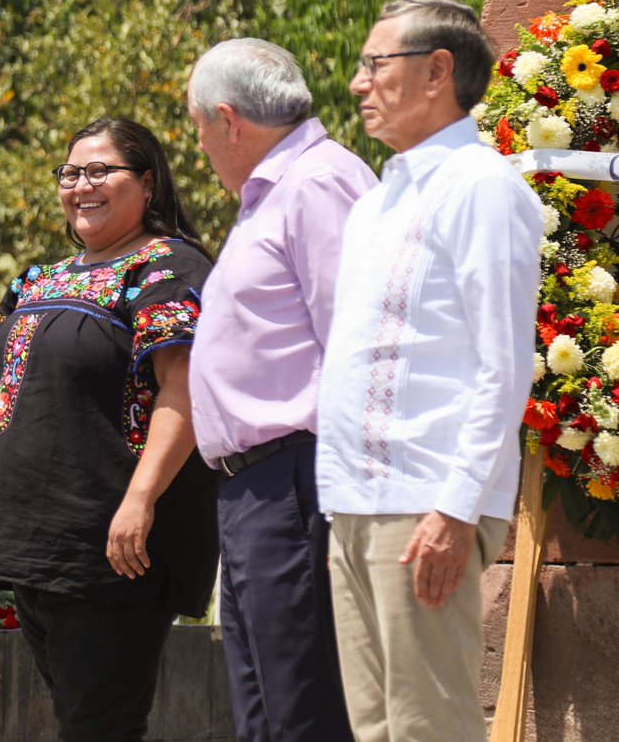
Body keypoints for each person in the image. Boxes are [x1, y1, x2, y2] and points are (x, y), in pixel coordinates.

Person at [316, 0, 544, 742]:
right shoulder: (377, 202)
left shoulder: (482, 186)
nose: (358, 84)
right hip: (353, 499)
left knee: (431, 727)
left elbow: (503, 364)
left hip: (424, 501)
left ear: (438, 71)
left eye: (375, 64)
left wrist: (453, 507)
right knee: (378, 729)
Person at [0, 117, 219, 742]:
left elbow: (185, 390)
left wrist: (140, 499)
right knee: (78, 721)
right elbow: (3, 398)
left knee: (100, 727)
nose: (81, 186)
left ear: (147, 183)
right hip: (34, 549)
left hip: (108, 547)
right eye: (71, 174)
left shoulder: (165, 267)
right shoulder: (38, 279)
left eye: (101, 171)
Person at [185, 38, 377, 741]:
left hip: (300, 480)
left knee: (306, 710)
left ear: (228, 121)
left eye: (199, 128)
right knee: (265, 714)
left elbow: (359, 338)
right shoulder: (277, 190)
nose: (200, 147)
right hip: (257, 488)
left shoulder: (317, 182)